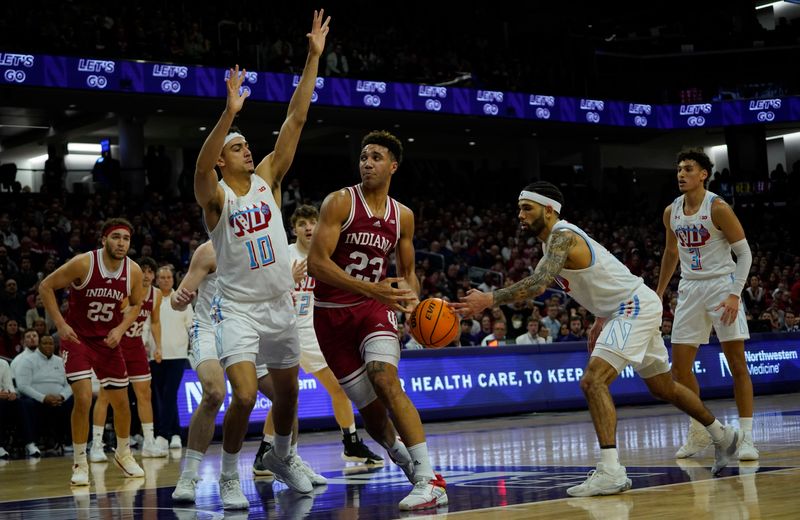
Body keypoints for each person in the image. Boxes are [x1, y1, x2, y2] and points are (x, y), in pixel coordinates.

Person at [453, 181, 739, 497]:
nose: (519, 215)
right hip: (628, 304)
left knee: (593, 381)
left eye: (526, 208)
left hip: (632, 306)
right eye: (519, 208)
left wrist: (489, 299)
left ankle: (612, 471)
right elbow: (604, 274)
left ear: (548, 210)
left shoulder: (563, 235)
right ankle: (723, 436)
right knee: (663, 387)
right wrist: (599, 316)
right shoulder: (552, 246)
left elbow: (538, 284)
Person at [192, 9, 330, 509]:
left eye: (247, 143)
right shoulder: (215, 198)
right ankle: (229, 475)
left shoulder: (269, 180)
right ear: (222, 159)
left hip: (280, 303)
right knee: (247, 396)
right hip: (240, 309)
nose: (247, 149)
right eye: (237, 146)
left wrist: (313, 58)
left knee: (290, 397)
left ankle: (283, 455)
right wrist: (228, 115)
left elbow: (296, 117)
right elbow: (202, 163)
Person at [307, 130, 448, 511]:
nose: (367, 163)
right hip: (331, 316)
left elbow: (408, 271)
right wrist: (372, 289)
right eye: (364, 157)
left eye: (376, 157)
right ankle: (401, 457)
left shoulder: (403, 216)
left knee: (385, 378)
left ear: (393, 165)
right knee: (371, 415)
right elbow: (316, 264)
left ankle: (430, 478)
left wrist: (412, 301)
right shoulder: (339, 202)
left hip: (374, 310)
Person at [252, 204, 383, 476]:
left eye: (312, 222)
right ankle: (266, 451)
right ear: (294, 229)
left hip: (313, 333)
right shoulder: (284, 255)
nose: (309, 227)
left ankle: (350, 442)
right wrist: (290, 278)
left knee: (335, 389)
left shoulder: (327, 254)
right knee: (286, 396)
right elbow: (263, 291)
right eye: (302, 223)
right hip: (283, 331)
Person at [655, 149, 757, 461]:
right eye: (678, 169)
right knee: (680, 368)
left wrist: (734, 294)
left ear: (703, 175)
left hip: (721, 285)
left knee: (737, 364)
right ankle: (699, 431)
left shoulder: (719, 208)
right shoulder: (670, 211)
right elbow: (671, 253)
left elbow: (745, 254)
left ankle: (747, 437)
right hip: (689, 288)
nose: (681, 174)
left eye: (688, 169)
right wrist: (658, 293)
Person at [38, 218, 146, 486]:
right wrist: (60, 325)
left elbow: (136, 304)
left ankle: (123, 453)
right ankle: (80, 462)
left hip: (107, 341)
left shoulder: (133, 271)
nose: (121, 243)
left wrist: (121, 329)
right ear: (104, 239)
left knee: (122, 401)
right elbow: (46, 286)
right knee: (84, 398)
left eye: (126, 239)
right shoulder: (85, 263)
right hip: (78, 338)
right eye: (116, 237)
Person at [89, 257, 168, 462]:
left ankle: (149, 442)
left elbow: (156, 322)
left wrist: (158, 346)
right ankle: (96, 445)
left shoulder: (156, 294)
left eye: (151, 272)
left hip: (137, 347)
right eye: (144, 271)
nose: (148, 275)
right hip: (116, 347)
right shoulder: (123, 290)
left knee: (145, 395)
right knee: (106, 395)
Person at [170, 241, 226, 502]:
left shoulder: (259, 243)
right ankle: (189, 475)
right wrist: (180, 298)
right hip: (208, 329)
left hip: (247, 327)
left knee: (286, 391)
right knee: (214, 393)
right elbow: (176, 301)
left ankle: (285, 456)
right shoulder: (208, 251)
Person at [151, 265, 191, 449]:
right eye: (162, 277)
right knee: (161, 396)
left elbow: (191, 326)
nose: (166, 280)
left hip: (177, 354)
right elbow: (146, 325)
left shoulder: (182, 301)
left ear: (173, 280)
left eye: (168, 277)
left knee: (169, 394)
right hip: (155, 355)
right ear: (157, 280)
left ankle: (162, 435)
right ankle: (175, 434)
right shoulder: (151, 299)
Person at [15, 335, 73, 456]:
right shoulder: (28, 360)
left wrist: (62, 396)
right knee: (25, 403)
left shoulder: (61, 361)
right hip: (36, 400)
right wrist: (43, 398)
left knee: (75, 401)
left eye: (50, 343)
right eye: (45, 343)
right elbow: (22, 385)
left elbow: (71, 384)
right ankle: (30, 443)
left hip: (59, 400)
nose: (48, 346)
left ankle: (71, 442)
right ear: (39, 345)